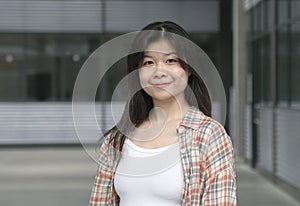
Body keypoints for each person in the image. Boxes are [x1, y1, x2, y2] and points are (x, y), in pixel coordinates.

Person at [89, 21, 237, 206]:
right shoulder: (117, 138)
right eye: (148, 62)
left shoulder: (209, 135)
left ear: (189, 68)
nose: (159, 72)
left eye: (170, 61)